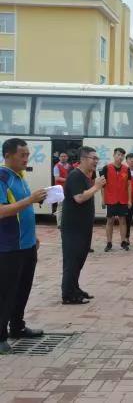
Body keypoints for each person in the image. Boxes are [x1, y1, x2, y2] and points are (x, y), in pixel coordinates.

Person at [0, 139, 47, 354]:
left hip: (26, 245)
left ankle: (17, 326)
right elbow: (2, 211)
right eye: (22, 155)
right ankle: (1, 336)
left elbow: (24, 212)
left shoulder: (20, 176)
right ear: (8, 155)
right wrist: (30, 199)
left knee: (23, 289)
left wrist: (33, 236)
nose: (26, 158)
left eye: (28, 154)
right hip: (9, 247)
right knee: (6, 292)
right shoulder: (3, 177)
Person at [61, 146, 106, 304]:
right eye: (93, 158)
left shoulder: (86, 176)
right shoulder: (75, 176)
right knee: (72, 260)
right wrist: (96, 187)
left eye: (97, 158)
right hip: (73, 227)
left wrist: (94, 185)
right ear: (83, 159)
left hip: (83, 227)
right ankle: (68, 295)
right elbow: (79, 198)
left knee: (79, 259)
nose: (96, 161)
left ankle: (74, 288)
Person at [100, 148, 132, 252]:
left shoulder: (126, 169)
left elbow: (129, 185)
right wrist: (103, 199)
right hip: (111, 199)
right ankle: (109, 243)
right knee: (110, 221)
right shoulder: (106, 168)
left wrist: (129, 200)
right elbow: (102, 185)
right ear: (114, 155)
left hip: (122, 199)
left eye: (122, 155)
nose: (120, 157)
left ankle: (123, 242)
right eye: (118, 155)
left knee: (123, 221)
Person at [53, 151, 70, 228]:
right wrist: (68, 180)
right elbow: (57, 178)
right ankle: (59, 224)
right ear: (59, 158)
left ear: (67, 157)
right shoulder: (56, 166)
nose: (63, 158)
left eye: (65, 156)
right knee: (60, 206)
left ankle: (66, 222)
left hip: (68, 188)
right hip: (60, 189)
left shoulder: (69, 166)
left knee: (68, 206)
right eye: (61, 156)